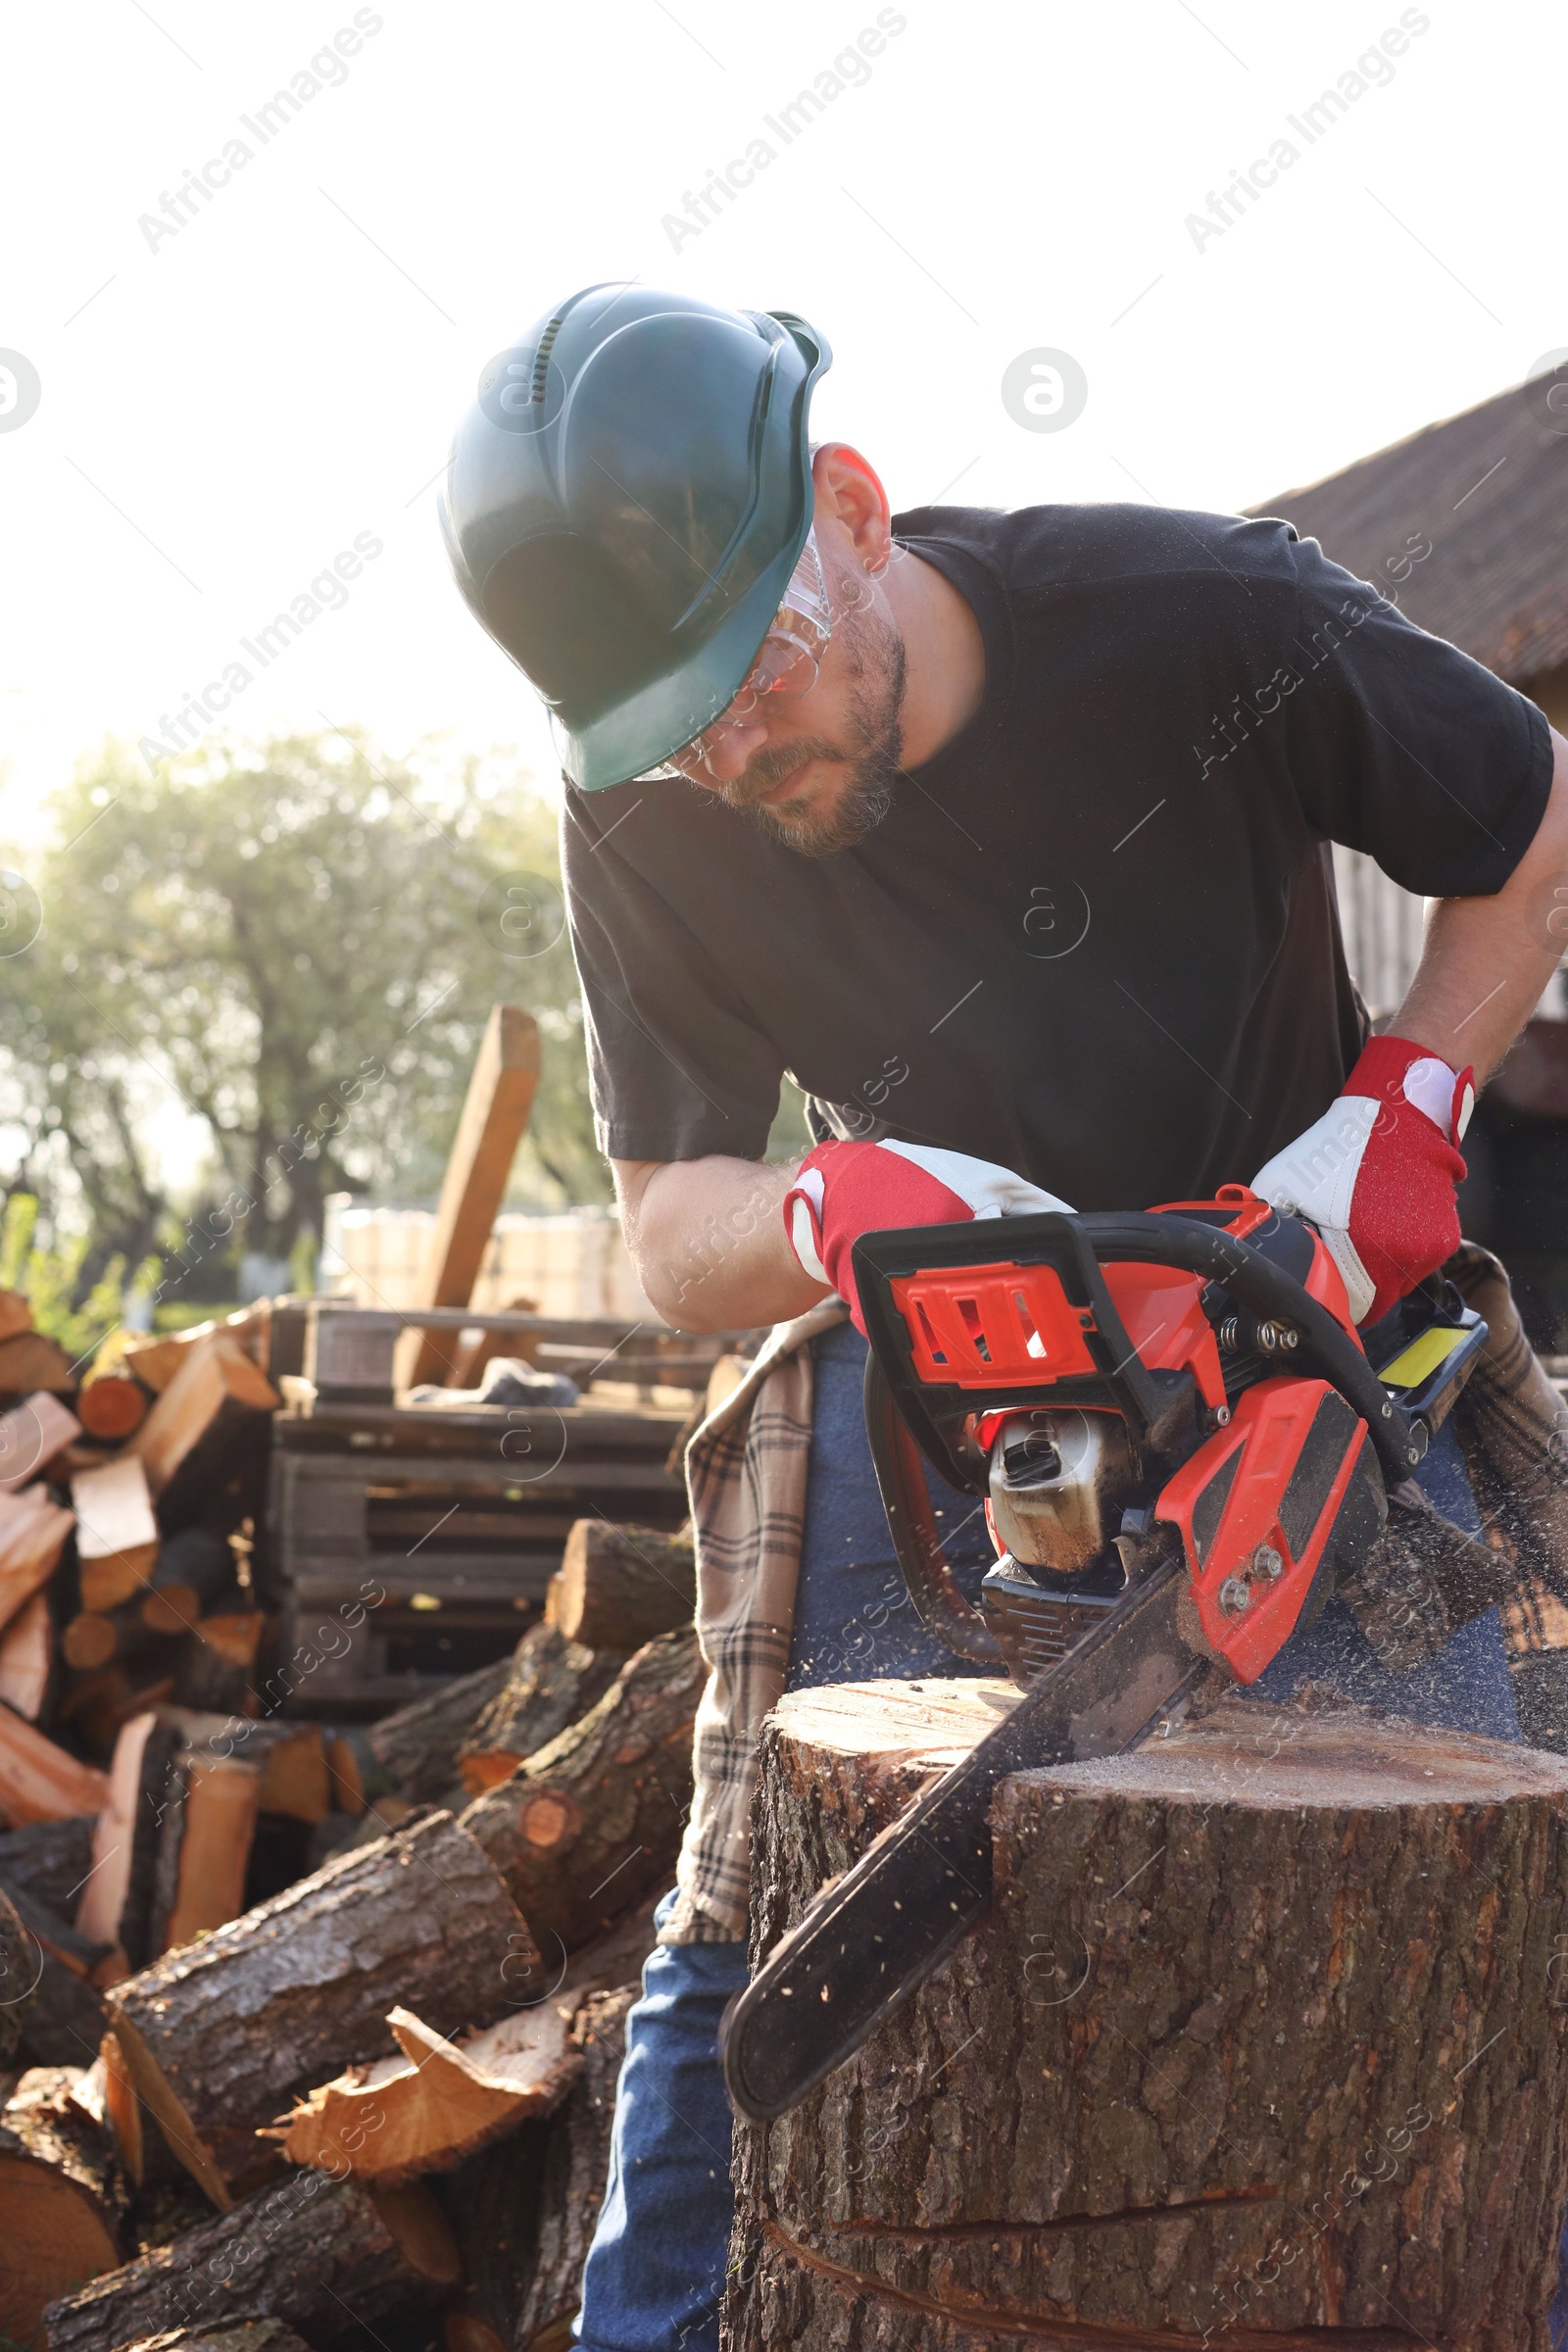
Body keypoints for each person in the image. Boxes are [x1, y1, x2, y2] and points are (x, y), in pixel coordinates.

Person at [441, 284, 1568, 2352]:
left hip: (1286, 1334)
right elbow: (657, 1233)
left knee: (1461, 1897)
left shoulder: (1201, 616)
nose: (732, 749)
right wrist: (822, 1203)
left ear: (853, 510)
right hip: (940, 1383)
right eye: (674, 726)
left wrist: (1396, 1105)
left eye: (753, 673)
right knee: (761, 1903)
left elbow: (1527, 817)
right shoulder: (645, 806)